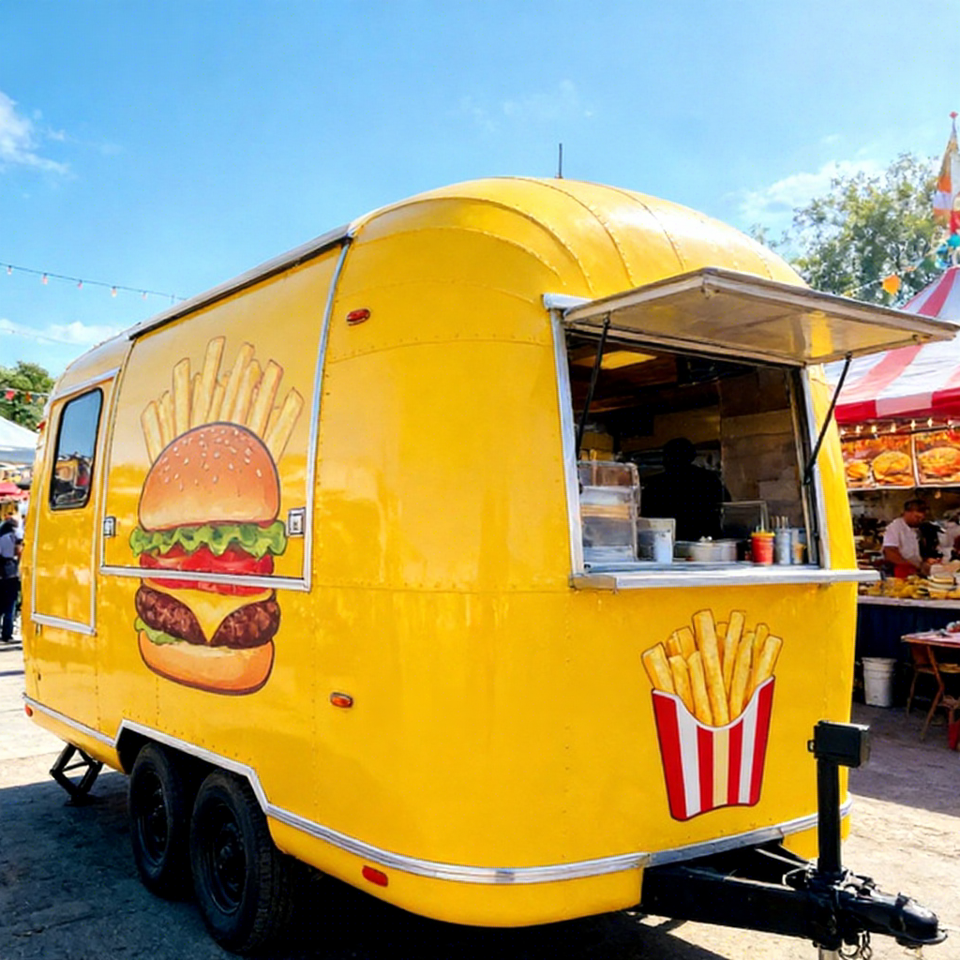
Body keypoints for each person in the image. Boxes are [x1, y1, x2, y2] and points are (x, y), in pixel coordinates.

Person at [641, 437, 727, 542]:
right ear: (692, 456)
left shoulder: (656, 484)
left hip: (669, 541)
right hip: (706, 541)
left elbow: (646, 516)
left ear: (667, 458)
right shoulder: (709, 479)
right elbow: (726, 507)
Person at [882, 499, 935, 578]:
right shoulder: (895, 527)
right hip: (900, 570)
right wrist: (909, 566)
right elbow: (890, 552)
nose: (919, 520)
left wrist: (925, 562)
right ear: (907, 513)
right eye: (917, 517)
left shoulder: (917, 528)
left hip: (915, 570)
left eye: (922, 518)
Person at [0, 516, 21, 642]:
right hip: (11, 574)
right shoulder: (13, 538)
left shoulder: (1, 537)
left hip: (2, 575)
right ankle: (7, 633)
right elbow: (18, 552)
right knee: (10, 605)